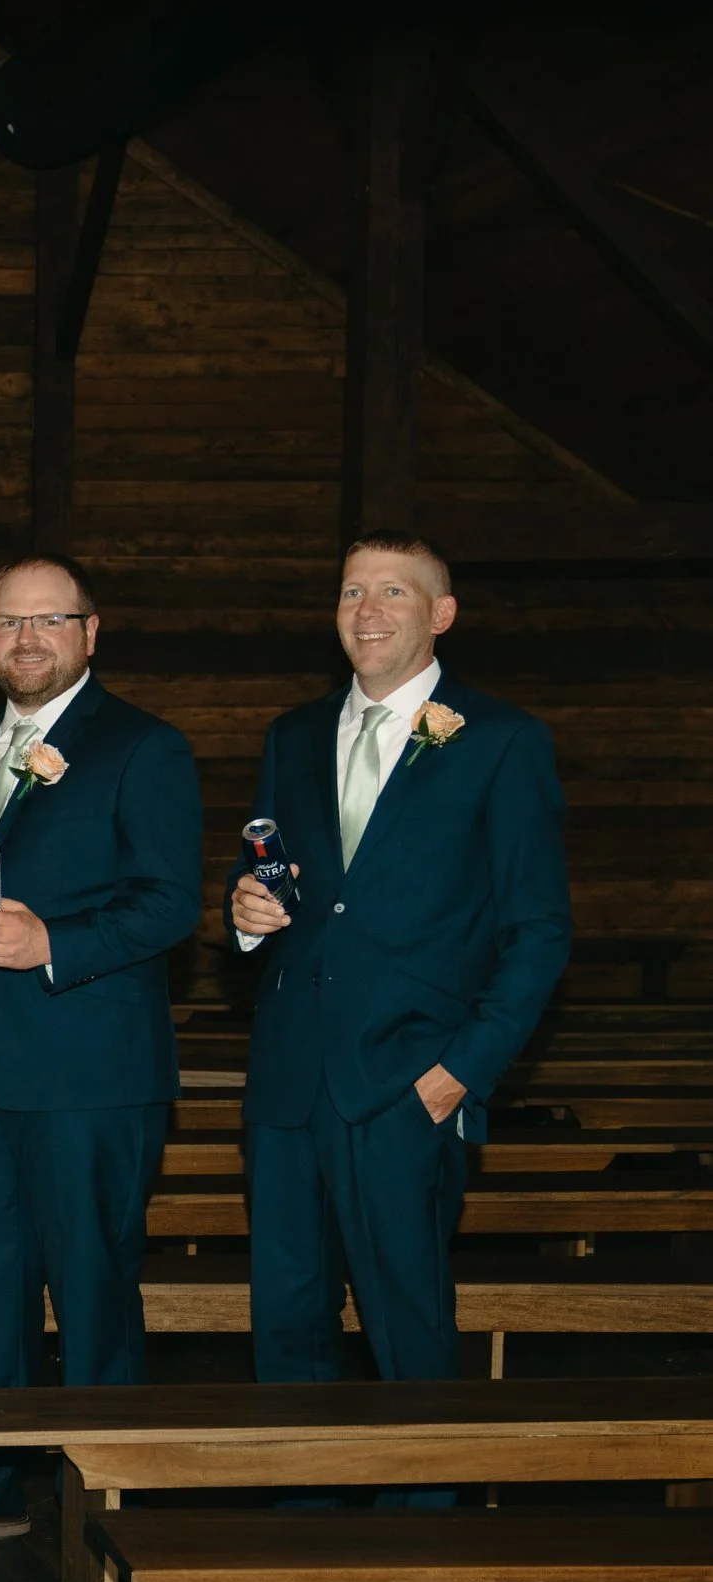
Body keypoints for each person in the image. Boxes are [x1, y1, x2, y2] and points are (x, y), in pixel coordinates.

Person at [0, 553, 203, 1547]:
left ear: (89, 633)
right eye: (7, 623)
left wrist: (56, 942)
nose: (25, 640)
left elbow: (170, 904)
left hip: (86, 1069)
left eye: (47, 621)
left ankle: (114, 1492)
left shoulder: (144, 747)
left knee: (91, 1286)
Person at [231, 533, 569, 1481]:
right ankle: (299, 1533)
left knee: (408, 1332)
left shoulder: (500, 739)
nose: (367, 609)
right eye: (351, 591)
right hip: (292, 1081)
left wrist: (459, 1072)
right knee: (286, 1328)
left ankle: (418, 1555)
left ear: (440, 614)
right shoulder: (294, 735)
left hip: (407, 1083)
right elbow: (279, 876)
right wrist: (249, 914)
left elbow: (538, 930)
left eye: (393, 592)